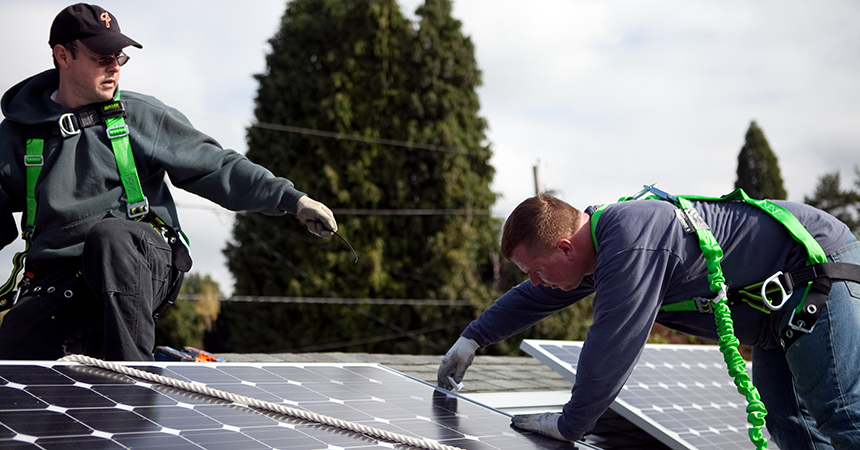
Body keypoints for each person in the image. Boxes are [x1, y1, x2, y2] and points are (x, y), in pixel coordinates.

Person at [0, 3, 337, 361]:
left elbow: (217, 166)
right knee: (15, 366)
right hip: (61, 280)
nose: (114, 67)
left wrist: (290, 199)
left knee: (110, 236)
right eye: (101, 57)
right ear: (62, 55)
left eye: (119, 57)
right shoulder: (18, 135)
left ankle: (133, 383)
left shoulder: (140, 116)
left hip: (139, 261)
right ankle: (134, 356)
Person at [437, 190, 860, 450]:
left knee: (841, 415)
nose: (535, 282)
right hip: (775, 311)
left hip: (815, 269)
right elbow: (536, 298)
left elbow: (611, 343)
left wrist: (569, 425)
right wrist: (472, 339)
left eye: (536, 270)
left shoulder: (629, 245)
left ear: (565, 248)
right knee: (790, 425)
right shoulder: (600, 245)